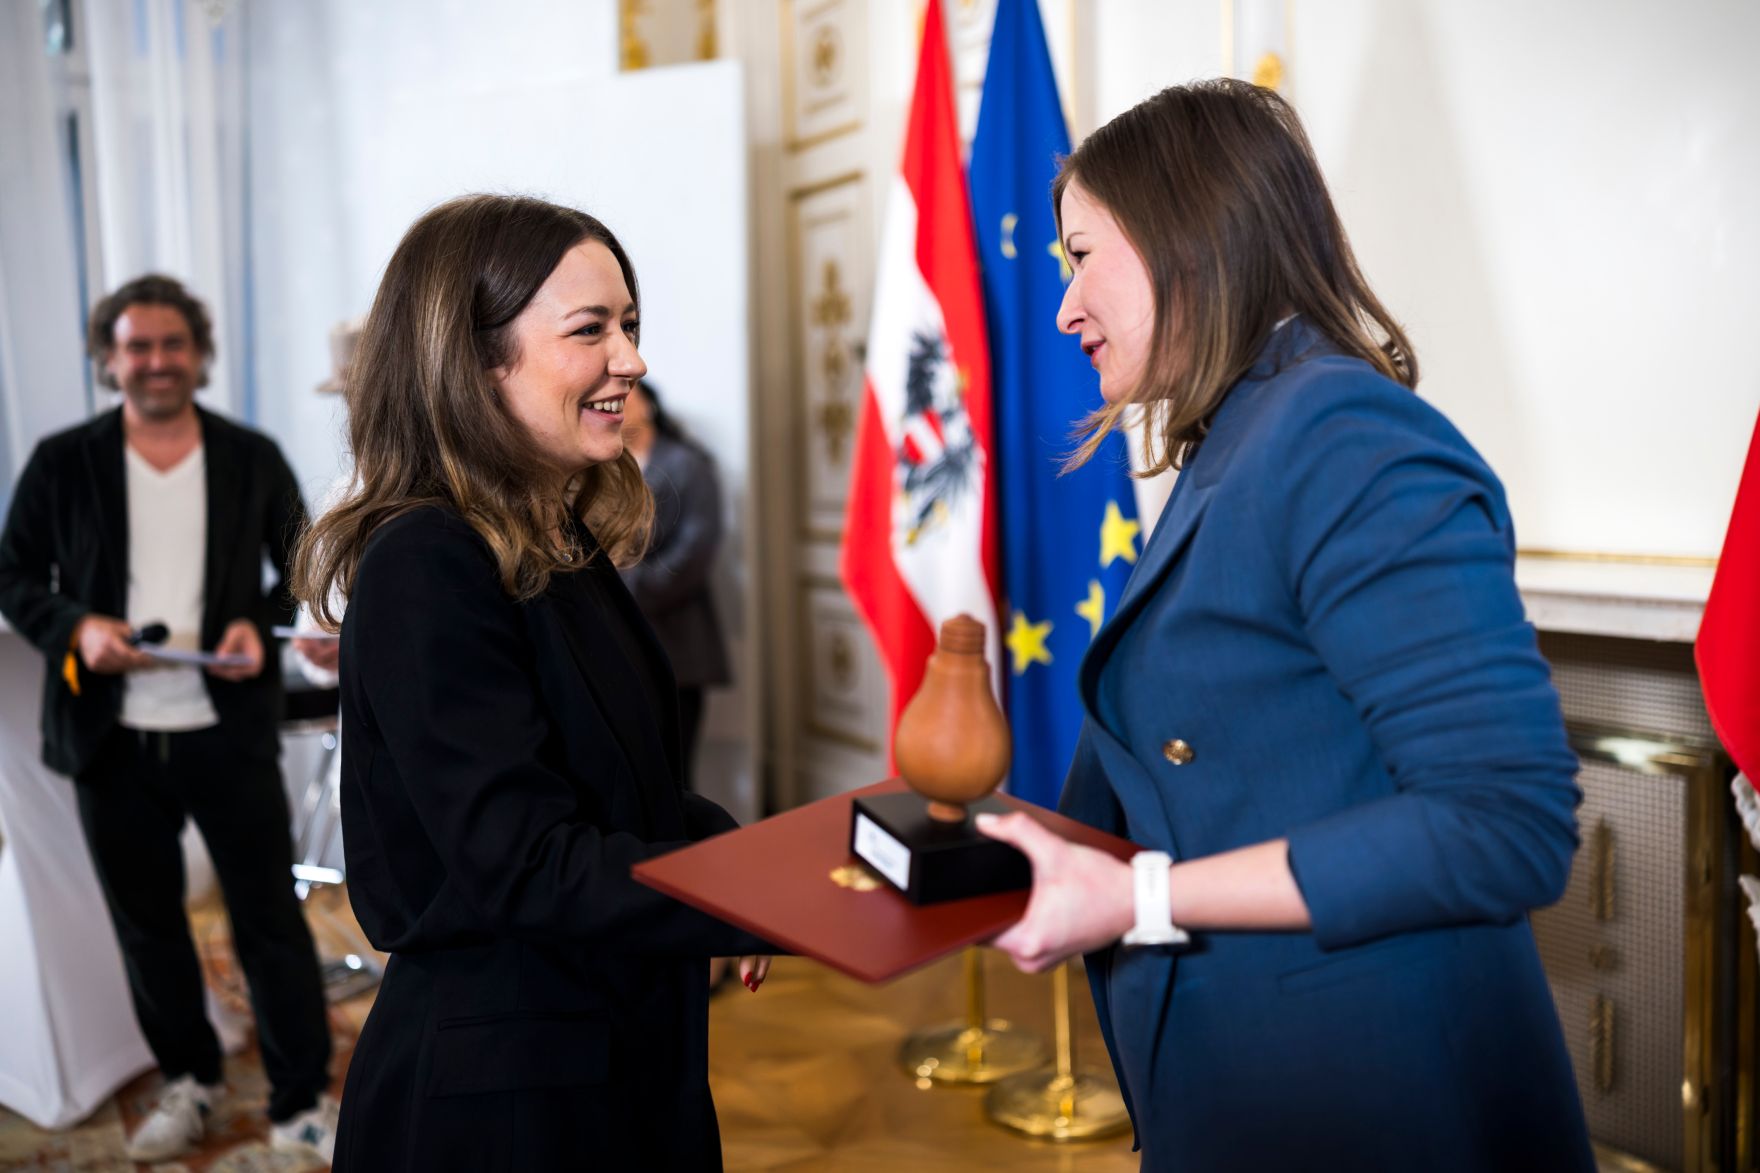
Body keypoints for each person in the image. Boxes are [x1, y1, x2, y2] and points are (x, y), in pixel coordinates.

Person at [975, 80, 1594, 1171]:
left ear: (1186, 236)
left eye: (1081, 256)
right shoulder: (1243, 431)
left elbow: (1506, 823)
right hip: (1251, 1067)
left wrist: (1139, 897)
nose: (1064, 307)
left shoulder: (1340, 433)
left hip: (1373, 1092)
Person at [291, 194, 770, 1171]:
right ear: (471, 363)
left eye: (628, 326)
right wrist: (741, 901)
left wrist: (728, 850)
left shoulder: (556, 537)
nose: (629, 360)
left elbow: (613, 788)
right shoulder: (427, 562)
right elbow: (523, 863)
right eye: (590, 330)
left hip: (615, 1051)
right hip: (506, 1100)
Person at [0, 274, 336, 1162]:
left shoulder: (251, 456)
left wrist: (256, 621)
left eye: (172, 344)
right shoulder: (62, 461)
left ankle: (303, 1102)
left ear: (200, 353)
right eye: (137, 346)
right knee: (147, 929)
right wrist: (77, 629)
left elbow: (303, 566)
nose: (156, 361)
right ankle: (189, 1079)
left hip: (227, 730)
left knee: (269, 920)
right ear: (109, 360)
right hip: (111, 739)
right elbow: (13, 574)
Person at [619, 379, 732, 790]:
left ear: (649, 404)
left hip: (678, 642)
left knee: (676, 771)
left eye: (629, 391)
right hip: (621, 646)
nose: (618, 398)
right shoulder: (600, 466)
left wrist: (622, 591)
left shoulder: (688, 464)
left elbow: (695, 552)